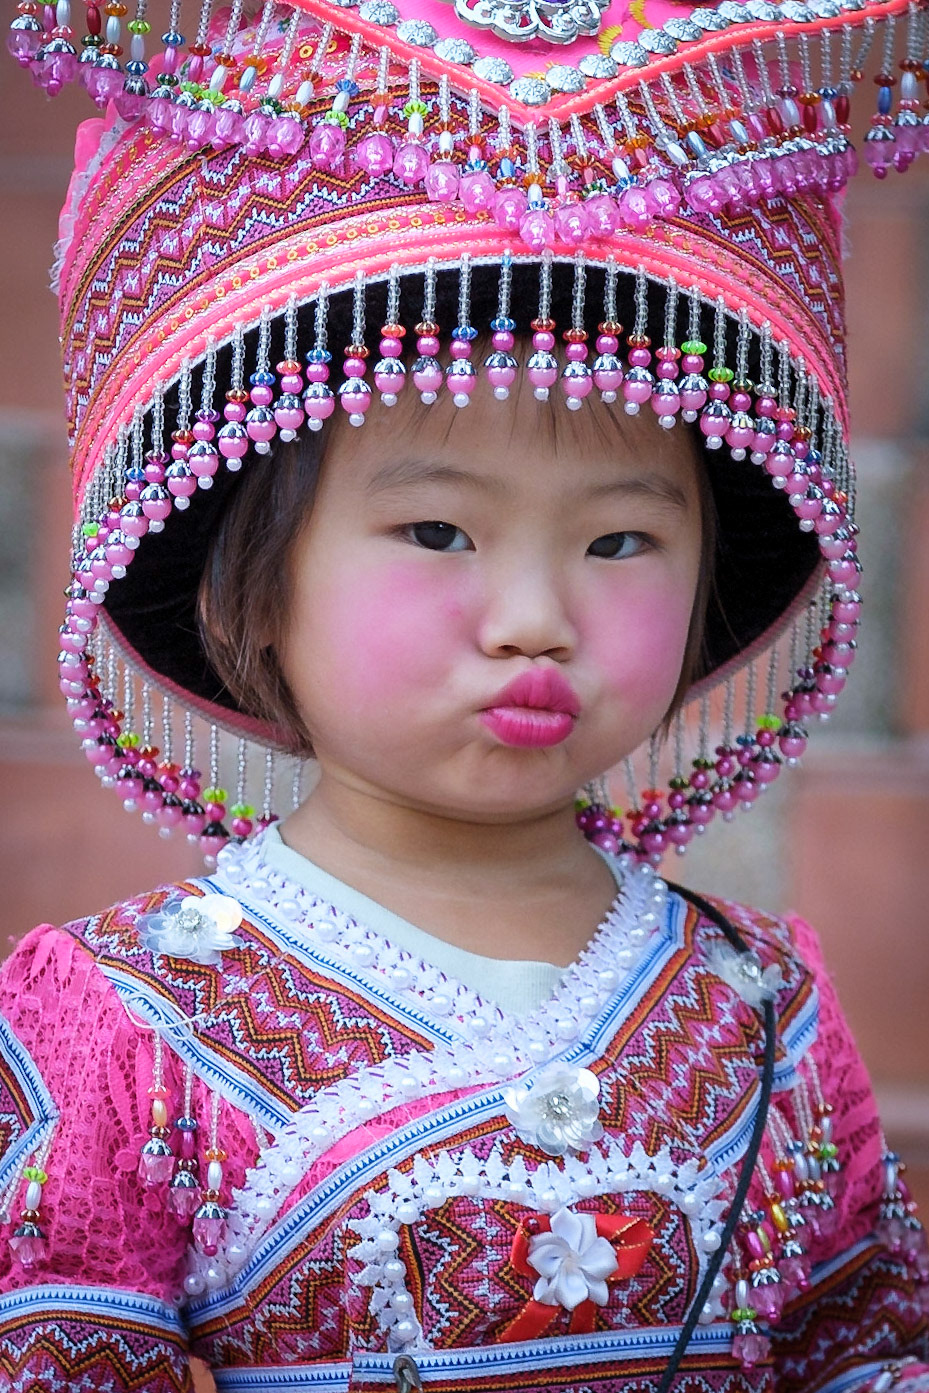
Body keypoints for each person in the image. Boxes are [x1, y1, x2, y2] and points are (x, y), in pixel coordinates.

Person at [1, 0, 928, 1386]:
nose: (533, 619)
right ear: (243, 584)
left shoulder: (765, 1005)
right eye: (437, 533)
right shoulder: (125, 1024)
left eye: (620, 541)